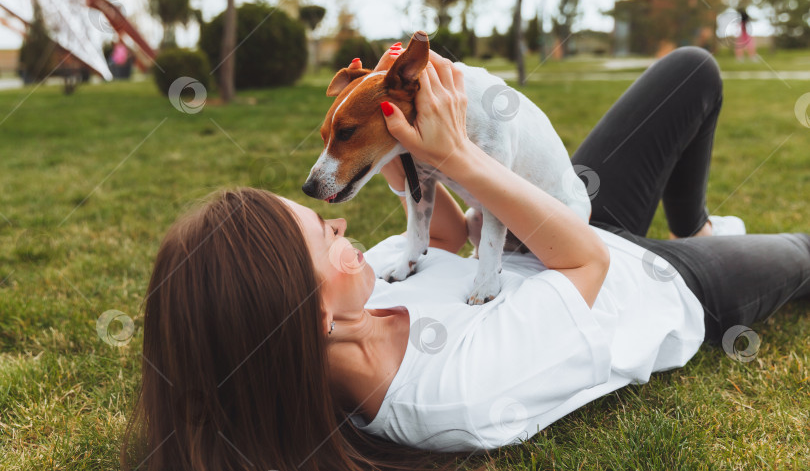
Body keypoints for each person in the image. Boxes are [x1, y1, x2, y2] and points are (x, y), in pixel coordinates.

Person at [121, 46, 810, 471]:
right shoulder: (452, 395)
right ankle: (699, 250)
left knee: (692, 71)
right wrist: (457, 156)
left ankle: (697, 225)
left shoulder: (365, 285)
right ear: (308, 311)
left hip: (549, 221)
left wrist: (397, 136)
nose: (339, 221)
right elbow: (589, 263)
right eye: (322, 236)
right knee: (803, 254)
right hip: (644, 282)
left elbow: (445, 236)